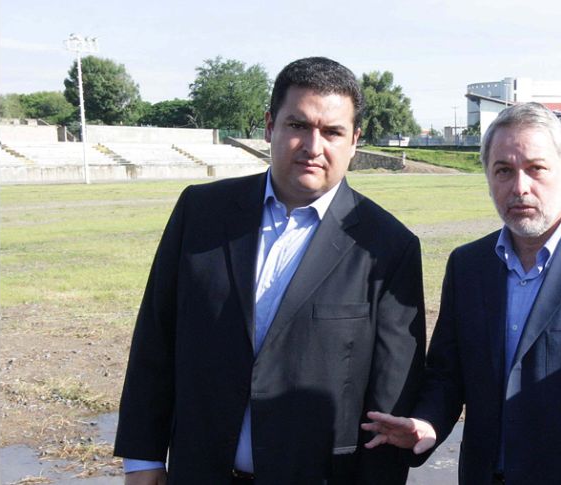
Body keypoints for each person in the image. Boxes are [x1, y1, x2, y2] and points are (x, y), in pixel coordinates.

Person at [113, 56, 426, 485]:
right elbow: (155, 340)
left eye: (332, 132)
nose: (314, 147)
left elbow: (388, 403)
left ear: (354, 141)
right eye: (298, 126)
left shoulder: (389, 246)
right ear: (269, 126)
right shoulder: (200, 214)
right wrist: (143, 461)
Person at [362, 102, 561, 484]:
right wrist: (428, 421)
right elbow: (447, 374)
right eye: (504, 171)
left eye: (536, 169)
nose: (520, 187)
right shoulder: (467, 266)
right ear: (488, 178)